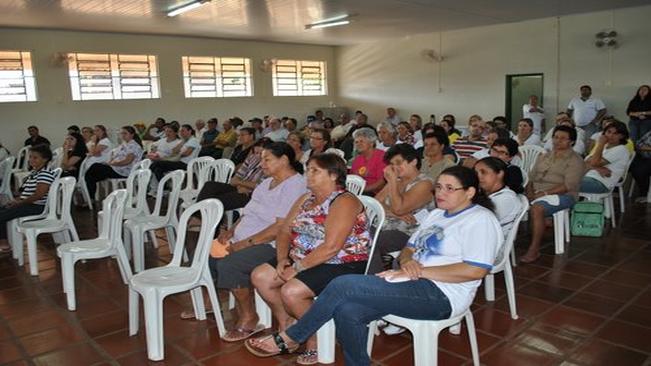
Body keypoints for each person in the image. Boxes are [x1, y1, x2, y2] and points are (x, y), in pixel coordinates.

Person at [244, 166, 501, 366]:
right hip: (412, 282)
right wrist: (409, 261)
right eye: (438, 187)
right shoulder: (437, 214)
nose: (440, 193)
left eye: (449, 188)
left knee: (343, 284)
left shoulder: (480, 220)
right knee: (347, 310)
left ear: (469, 192)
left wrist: (420, 270)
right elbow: (409, 248)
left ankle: (294, 335)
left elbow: (475, 270)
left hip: (442, 295)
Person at [250, 153, 371, 365]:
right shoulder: (306, 198)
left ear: (334, 175)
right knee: (261, 276)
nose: (309, 174)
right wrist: (281, 260)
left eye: (315, 170)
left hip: (342, 262)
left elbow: (331, 247)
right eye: (308, 169)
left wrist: (296, 268)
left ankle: (314, 341)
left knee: (292, 291)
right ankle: (287, 326)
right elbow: (285, 231)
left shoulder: (345, 201)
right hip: (302, 257)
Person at [180, 142, 308, 340]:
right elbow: (248, 213)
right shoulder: (266, 183)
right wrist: (231, 232)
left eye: (267, 159)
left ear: (284, 160)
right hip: (245, 238)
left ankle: (250, 317)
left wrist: (245, 243)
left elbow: (280, 228)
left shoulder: (295, 185)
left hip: (272, 245)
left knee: (230, 265)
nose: (262, 164)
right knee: (206, 255)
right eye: (261, 159)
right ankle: (209, 303)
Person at [368, 144, 435, 275]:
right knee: (356, 233)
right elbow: (375, 203)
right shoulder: (398, 181)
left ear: (414, 162)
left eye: (399, 163)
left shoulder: (425, 183)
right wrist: (393, 213)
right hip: (383, 227)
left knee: (369, 240)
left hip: (407, 233)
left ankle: (373, 279)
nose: (395, 168)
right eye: (392, 164)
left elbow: (399, 208)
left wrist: (392, 182)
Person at [521, 126, 585, 263]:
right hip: (538, 192)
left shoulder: (575, 160)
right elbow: (530, 178)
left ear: (572, 142)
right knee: (509, 200)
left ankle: (534, 249)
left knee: (537, 208)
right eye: (555, 137)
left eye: (563, 138)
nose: (558, 141)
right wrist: (530, 192)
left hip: (564, 195)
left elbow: (569, 185)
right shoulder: (544, 156)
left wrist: (544, 193)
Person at [0, 145, 56, 253]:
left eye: (35, 157)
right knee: (2, 209)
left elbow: (38, 195)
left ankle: (4, 242)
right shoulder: (35, 173)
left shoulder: (45, 174)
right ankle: (3, 239)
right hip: (28, 204)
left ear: (45, 159)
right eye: (30, 157)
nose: (31, 160)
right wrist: (16, 200)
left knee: (2, 215)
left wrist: (19, 203)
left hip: (37, 207)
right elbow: (27, 193)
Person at [474, 157, 523, 264]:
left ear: (500, 174)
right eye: (476, 173)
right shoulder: (486, 194)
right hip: (480, 242)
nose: (478, 176)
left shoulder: (506, 199)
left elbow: (477, 223)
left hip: (490, 250)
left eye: (483, 172)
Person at [84, 126, 143, 200]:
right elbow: (115, 155)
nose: (123, 136)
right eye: (122, 133)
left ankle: (90, 197)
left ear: (132, 135)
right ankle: (90, 197)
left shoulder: (133, 145)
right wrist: (110, 162)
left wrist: (112, 164)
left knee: (94, 168)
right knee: (92, 174)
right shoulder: (125, 144)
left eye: (125, 133)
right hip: (116, 168)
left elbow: (128, 161)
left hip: (124, 170)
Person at [579, 121, 630, 194]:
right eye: (608, 132)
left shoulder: (621, 149)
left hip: (600, 183)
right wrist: (596, 168)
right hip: (587, 177)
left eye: (615, 133)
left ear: (622, 136)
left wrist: (601, 143)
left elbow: (593, 162)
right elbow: (586, 161)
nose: (611, 136)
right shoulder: (605, 147)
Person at [350, 128, 387, 195]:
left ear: (371, 143)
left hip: (376, 194)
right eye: (356, 142)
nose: (358, 144)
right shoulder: (357, 160)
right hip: (358, 193)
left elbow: (382, 182)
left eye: (361, 141)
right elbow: (352, 180)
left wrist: (363, 190)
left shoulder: (381, 156)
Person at [630, 130, 651, 203]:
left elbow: (642, 146)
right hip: (642, 156)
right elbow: (638, 144)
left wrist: (647, 148)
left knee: (640, 170)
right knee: (630, 164)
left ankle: (644, 194)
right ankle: (614, 188)